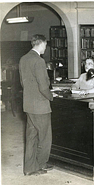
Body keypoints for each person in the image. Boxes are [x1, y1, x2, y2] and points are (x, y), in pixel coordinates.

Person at [19, 34, 54, 176]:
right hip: (40, 106)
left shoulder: (23, 59)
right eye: (45, 44)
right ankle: (40, 164)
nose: (46, 47)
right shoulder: (38, 61)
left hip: (28, 104)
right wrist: (51, 97)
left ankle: (29, 168)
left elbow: (23, 82)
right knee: (45, 138)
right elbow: (43, 86)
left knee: (31, 137)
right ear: (41, 43)